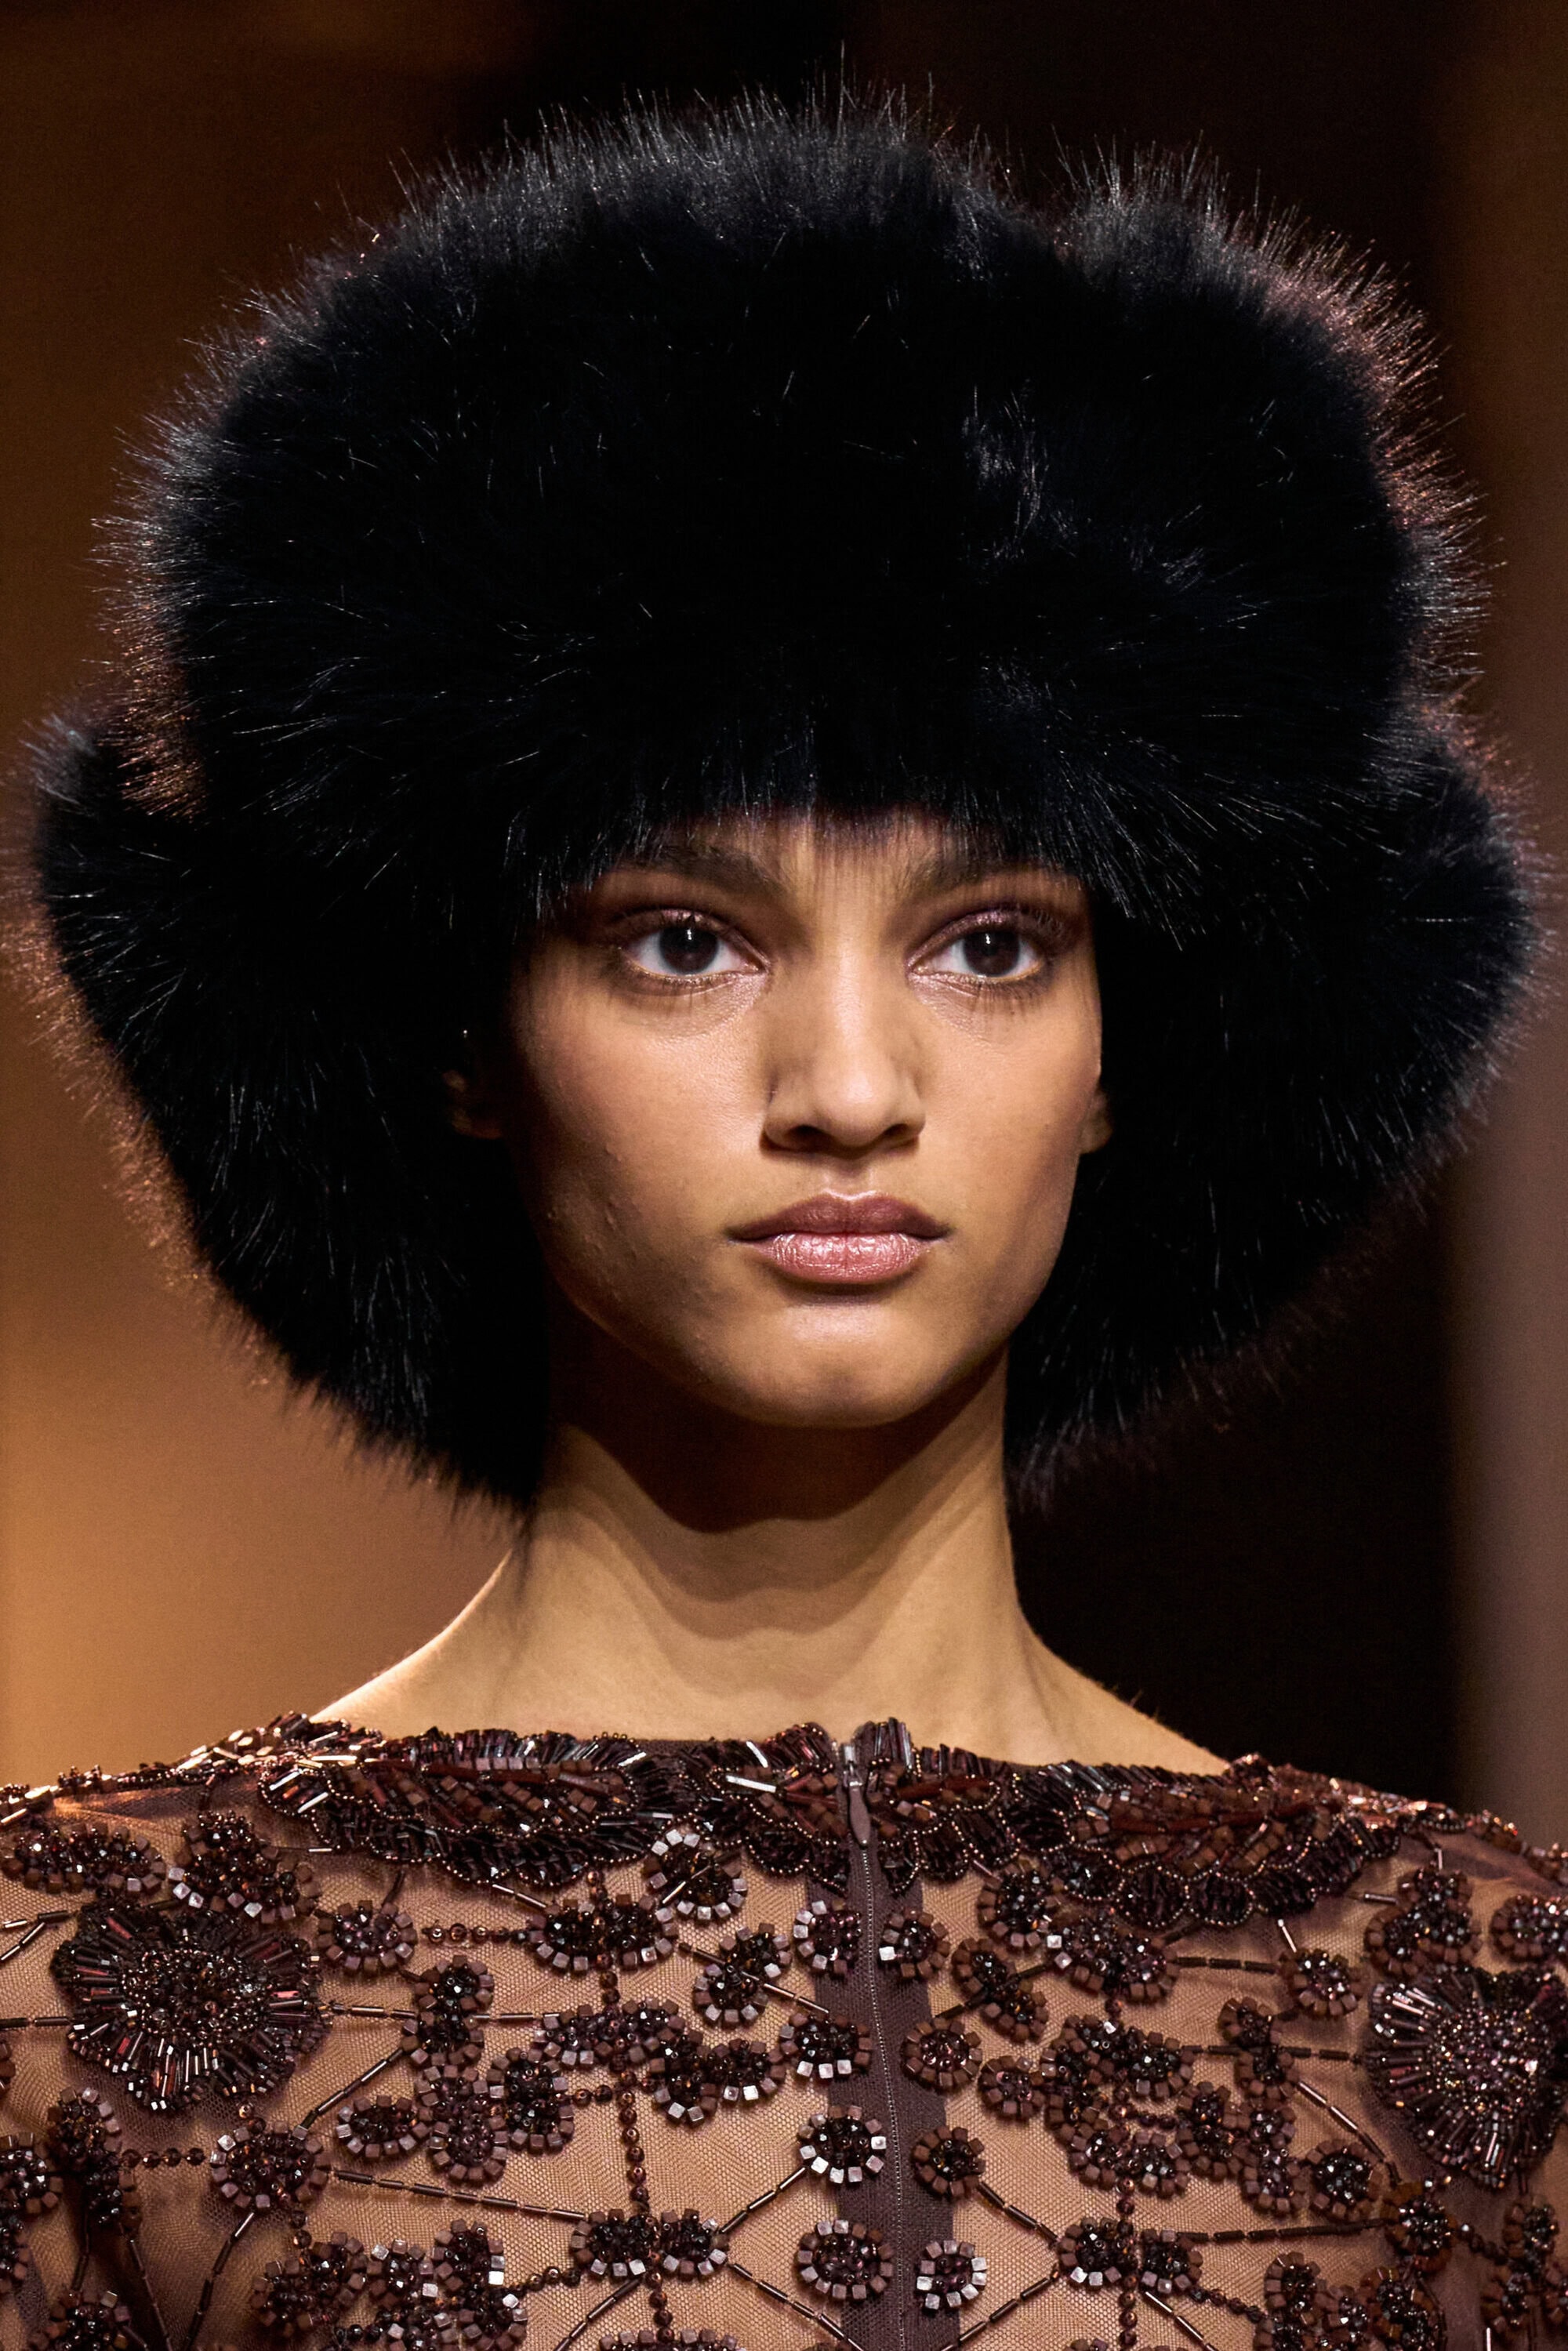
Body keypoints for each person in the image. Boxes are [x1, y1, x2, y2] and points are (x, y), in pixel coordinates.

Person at [7, 97, 1552, 2351]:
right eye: (682, 941)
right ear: (462, 1037)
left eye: (991, 945)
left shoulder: (1469, 2008)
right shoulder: (84, 2000)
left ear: (1126, 1050)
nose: (847, 1088)